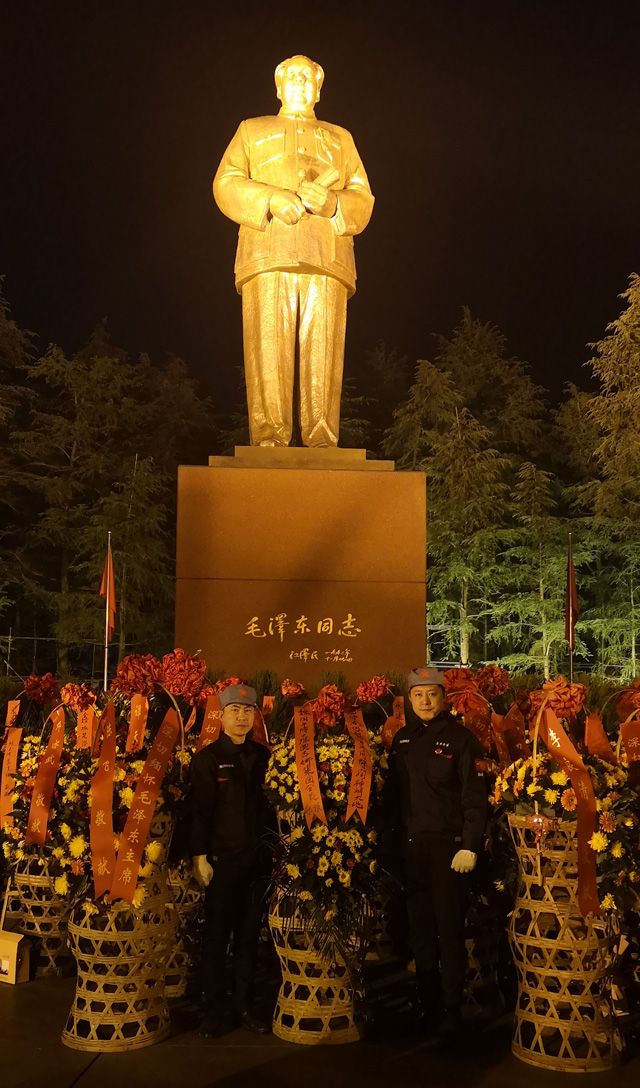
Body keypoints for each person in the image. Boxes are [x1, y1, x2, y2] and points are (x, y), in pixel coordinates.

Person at [213, 54, 374, 448]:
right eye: (292, 76)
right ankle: (269, 439)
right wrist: (269, 199)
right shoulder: (251, 131)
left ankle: (323, 439)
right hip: (268, 251)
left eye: (308, 78)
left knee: (325, 350)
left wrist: (332, 204)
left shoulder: (341, 139)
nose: (300, 82)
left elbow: (363, 197)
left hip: (327, 256)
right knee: (267, 348)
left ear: (318, 91)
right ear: (278, 87)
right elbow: (225, 182)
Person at [383, 667, 487, 1041]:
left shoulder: (461, 739)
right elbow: (394, 800)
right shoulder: (402, 740)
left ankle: (452, 1008)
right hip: (412, 851)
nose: (425, 701)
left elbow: (475, 798)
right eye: (418, 695)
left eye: (432, 694)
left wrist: (469, 844)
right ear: (409, 699)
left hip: (449, 851)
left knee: (449, 932)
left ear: (443, 698)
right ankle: (426, 1004)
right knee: (420, 932)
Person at [190, 683, 272, 1037]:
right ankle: (212, 1010)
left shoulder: (264, 757)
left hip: (256, 863)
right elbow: (199, 813)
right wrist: (199, 858)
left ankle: (244, 1005)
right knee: (216, 937)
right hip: (221, 863)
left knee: (249, 937)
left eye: (247, 711)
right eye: (235, 711)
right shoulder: (207, 759)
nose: (241, 717)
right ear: (221, 717)